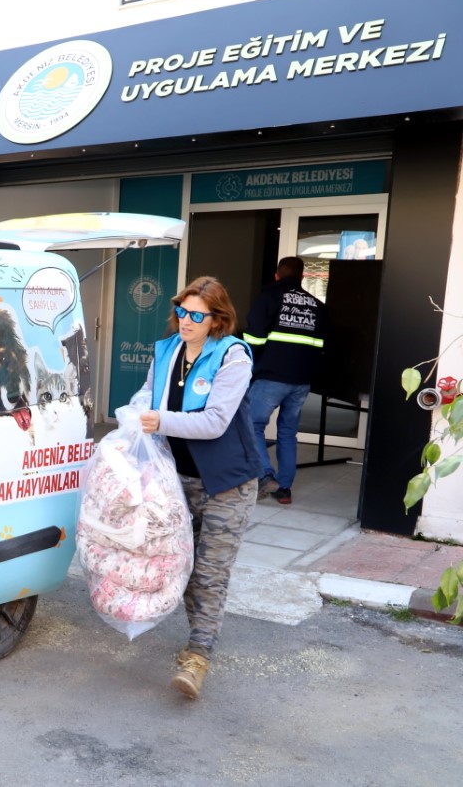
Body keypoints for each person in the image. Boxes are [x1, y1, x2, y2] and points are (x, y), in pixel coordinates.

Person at [137, 276, 259, 700]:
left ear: (217, 320)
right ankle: (199, 638)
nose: (185, 321)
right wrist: (132, 416)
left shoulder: (233, 357)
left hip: (228, 483)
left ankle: (197, 655)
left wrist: (160, 420)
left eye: (196, 315)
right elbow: (146, 397)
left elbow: (214, 422)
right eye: (182, 312)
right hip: (178, 479)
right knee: (182, 566)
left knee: (210, 572)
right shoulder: (166, 350)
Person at [245, 256, 326, 505]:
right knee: (288, 432)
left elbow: (254, 338)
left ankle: (266, 475)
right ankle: (285, 489)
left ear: (277, 275)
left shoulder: (269, 297)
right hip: (301, 380)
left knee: (251, 424)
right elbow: (321, 345)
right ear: (302, 277)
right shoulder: (316, 305)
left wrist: (249, 368)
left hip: (271, 376)